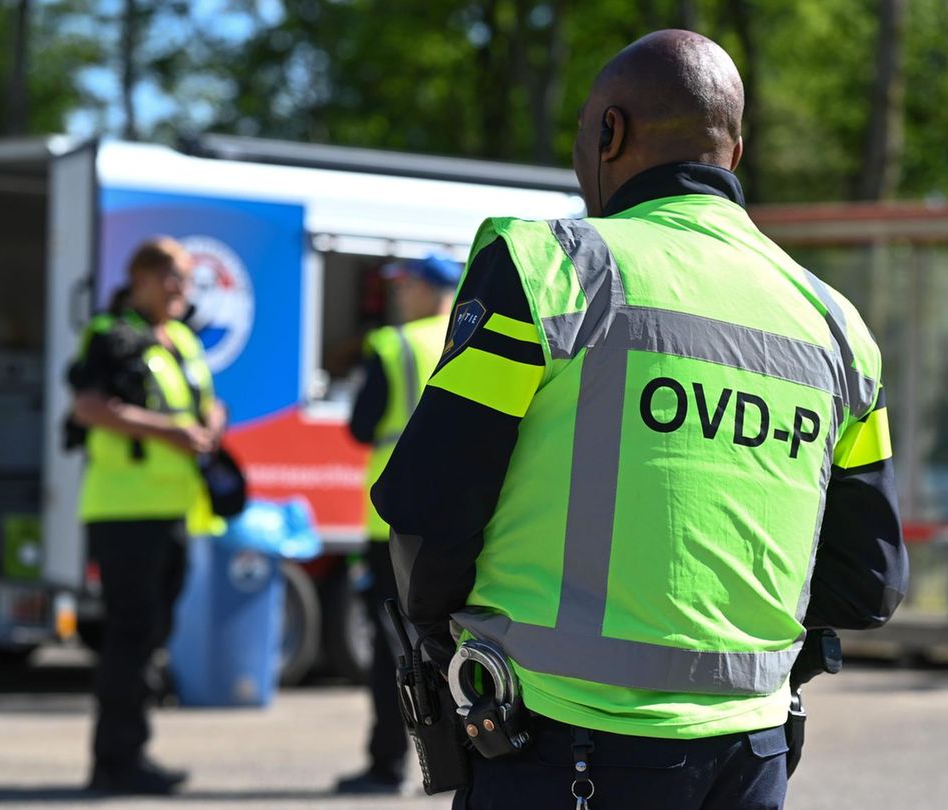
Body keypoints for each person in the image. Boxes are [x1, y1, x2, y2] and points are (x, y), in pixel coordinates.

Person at [372, 30, 908, 810]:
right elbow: (869, 584)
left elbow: (428, 510)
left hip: (558, 744)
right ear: (736, 153)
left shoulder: (550, 267)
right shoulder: (836, 326)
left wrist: (444, 652)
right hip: (752, 752)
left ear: (609, 133)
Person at [68, 238, 227, 795]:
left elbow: (203, 400)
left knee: (150, 635)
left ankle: (128, 753)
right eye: (172, 278)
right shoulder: (110, 335)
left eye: (186, 279)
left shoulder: (181, 338)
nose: (182, 289)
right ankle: (115, 762)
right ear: (140, 279)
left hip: (174, 507)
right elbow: (87, 407)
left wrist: (211, 418)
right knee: (130, 636)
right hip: (124, 509)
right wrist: (172, 433)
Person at [335, 254, 461, 795]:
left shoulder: (394, 346)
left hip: (392, 524)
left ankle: (387, 765)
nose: (398, 295)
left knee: (396, 651)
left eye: (405, 285)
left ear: (429, 288)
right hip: (460, 518)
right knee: (458, 647)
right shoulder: (474, 335)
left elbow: (361, 427)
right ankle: (468, 763)